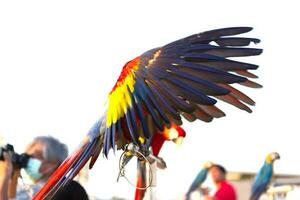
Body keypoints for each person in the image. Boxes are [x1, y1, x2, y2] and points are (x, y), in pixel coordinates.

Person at [0, 136, 88, 200]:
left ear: (51, 165)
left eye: (32, 157)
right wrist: (13, 177)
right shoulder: (31, 189)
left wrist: (5, 175)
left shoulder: (65, 191)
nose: (26, 161)